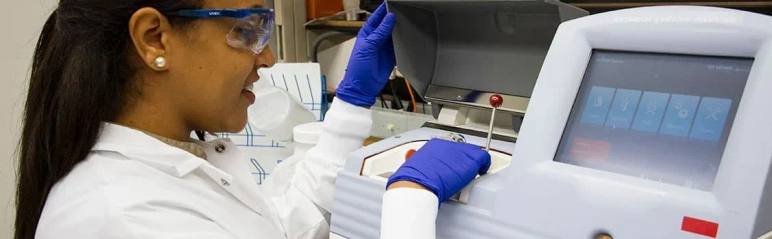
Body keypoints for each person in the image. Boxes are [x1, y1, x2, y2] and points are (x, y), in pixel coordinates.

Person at [14, 0, 491, 238]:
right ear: (155, 38)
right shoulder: (124, 219)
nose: (267, 58)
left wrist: (350, 105)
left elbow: (281, 226)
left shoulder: (175, 162)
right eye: (247, 30)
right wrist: (409, 207)